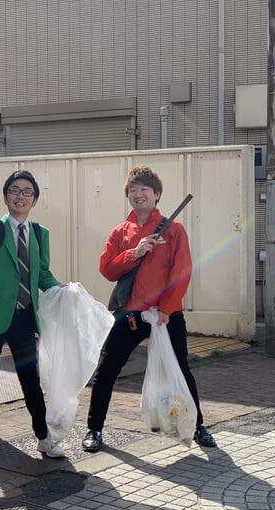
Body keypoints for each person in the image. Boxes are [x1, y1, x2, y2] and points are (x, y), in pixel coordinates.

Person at [83, 165, 215, 452]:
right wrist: (135, 252)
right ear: (127, 195)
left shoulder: (174, 230)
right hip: (129, 315)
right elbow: (107, 269)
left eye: (144, 189)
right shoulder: (120, 232)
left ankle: (198, 426)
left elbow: (181, 272)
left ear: (157, 194)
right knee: (106, 371)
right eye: (133, 190)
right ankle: (94, 429)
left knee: (181, 369)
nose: (138, 194)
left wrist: (167, 309)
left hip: (166, 317)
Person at [0, 170, 66, 469]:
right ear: (6, 195)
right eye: (14, 190)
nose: (20, 196)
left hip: (24, 315)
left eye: (26, 192)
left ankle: (43, 437)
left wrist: (61, 290)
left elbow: (42, 273)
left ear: (34, 199)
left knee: (30, 380)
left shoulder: (39, 233)